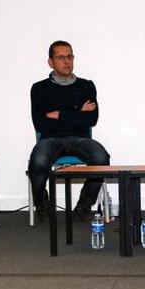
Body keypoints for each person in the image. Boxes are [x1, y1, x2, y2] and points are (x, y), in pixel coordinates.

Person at [28, 40, 110, 221]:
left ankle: (84, 205)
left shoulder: (86, 86)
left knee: (102, 158)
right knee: (38, 161)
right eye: (61, 57)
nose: (67, 61)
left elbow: (91, 119)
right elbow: (40, 124)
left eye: (70, 56)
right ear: (51, 62)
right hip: (50, 138)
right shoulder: (39, 88)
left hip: (80, 138)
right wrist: (77, 113)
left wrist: (59, 114)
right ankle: (42, 204)